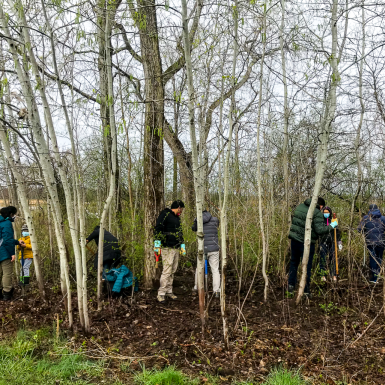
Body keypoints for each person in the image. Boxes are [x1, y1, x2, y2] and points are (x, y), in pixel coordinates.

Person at [288, 197, 337, 296]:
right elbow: (319, 230)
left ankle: (291, 287)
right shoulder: (316, 212)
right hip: (306, 242)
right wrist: (332, 226)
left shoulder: (300, 207)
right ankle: (305, 290)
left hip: (294, 240)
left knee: (294, 262)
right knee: (307, 266)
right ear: (321, 206)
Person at [154, 200, 185, 303]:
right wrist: (157, 246)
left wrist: (182, 246)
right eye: (181, 209)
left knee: (173, 270)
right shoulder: (165, 214)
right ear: (178, 207)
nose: (181, 211)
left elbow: (180, 233)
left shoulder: (177, 218)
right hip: (167, 247)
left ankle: (169, 291)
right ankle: (161, 293)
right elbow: (158, 229)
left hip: (176, 247)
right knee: (167, 270)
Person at [192, 210, 220, 298]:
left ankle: (197, 287)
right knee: (215, 270)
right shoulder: (215, 220)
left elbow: (193, 228)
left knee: (199, 269)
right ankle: (216, 291)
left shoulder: (198, 220)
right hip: (214, 248)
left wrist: (196, 220)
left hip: (202, 248)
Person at [0, 206, 25, 301]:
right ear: (10, 214)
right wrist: (12, 253)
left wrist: (17, 242)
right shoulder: (6, 223)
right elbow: (7, 240)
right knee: (7, 273)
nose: (14, 216)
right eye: (14, 214)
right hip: (4, 252)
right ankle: (7, 293)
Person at [358, 204, 385, 283]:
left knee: (373, 259)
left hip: (370, 242)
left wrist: (365, 231)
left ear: (369, 209)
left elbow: (360, 229)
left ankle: (374, 278)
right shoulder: (383, 218)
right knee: (379, 259)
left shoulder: (366, 218)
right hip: (381, 242)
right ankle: (379, 275)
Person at [319, 206, 342, 282]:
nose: (326, 214)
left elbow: (337, 233)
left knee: (333, 258)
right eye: (324, 212)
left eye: (327, 212)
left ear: (330, 212)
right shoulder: (321, 221)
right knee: (322, 258)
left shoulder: (333, 220)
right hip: (323, 242)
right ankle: (322, 275)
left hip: (332, 242)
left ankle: (334, 275)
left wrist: (339, 243)